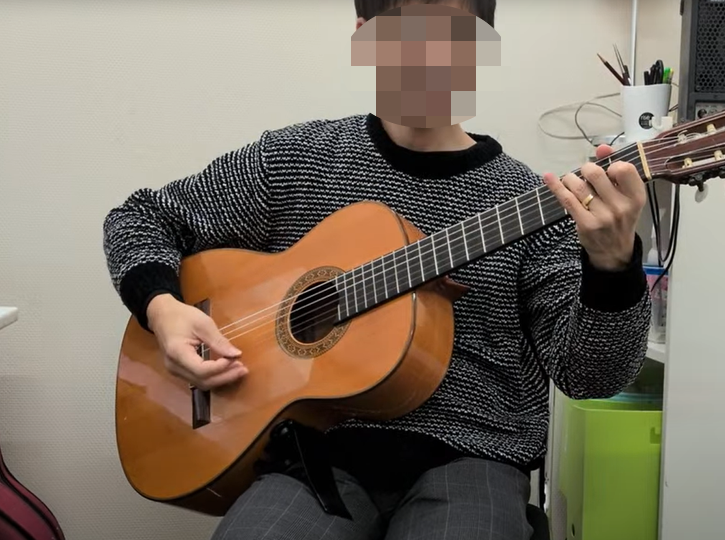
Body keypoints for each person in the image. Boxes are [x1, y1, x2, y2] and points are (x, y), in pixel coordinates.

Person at [102, 0, 652, 538]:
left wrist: (612, 266)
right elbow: (141, 218)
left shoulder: (533, 202)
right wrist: (163, 309)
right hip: (316, 453)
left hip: (475, 455)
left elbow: (591, 376)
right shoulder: (298, 159)